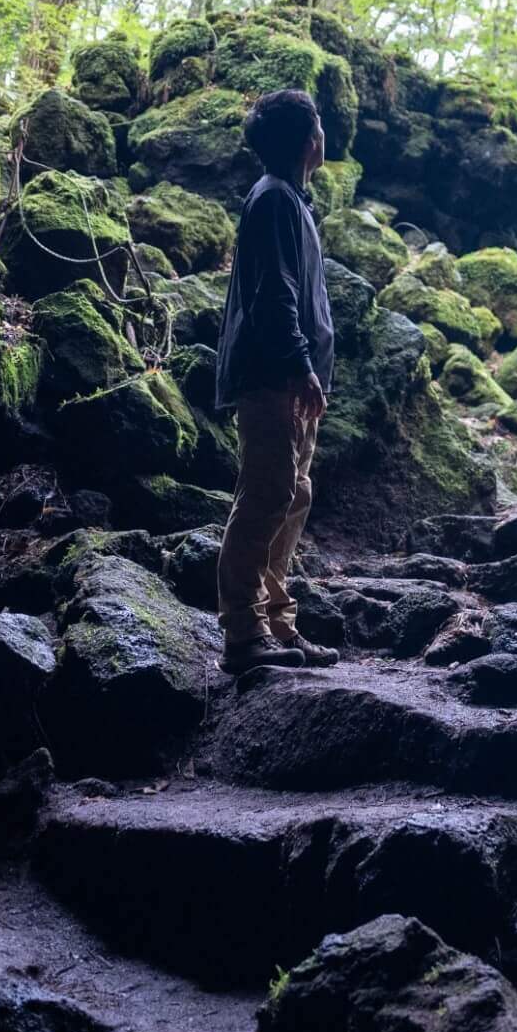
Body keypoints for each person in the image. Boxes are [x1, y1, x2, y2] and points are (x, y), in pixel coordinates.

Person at [212, 89, 341, 673]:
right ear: (308, 140)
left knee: (293, 495)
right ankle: (243, 632)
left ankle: (279, 623)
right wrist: (300, 365)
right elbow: (276, 297)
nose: (323, 135)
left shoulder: (291, 200)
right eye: (318, 125)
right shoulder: (273, 202)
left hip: (289, 376)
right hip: (274, 375)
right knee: (265, 495)